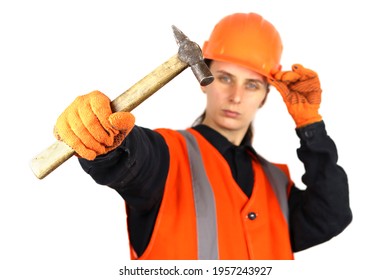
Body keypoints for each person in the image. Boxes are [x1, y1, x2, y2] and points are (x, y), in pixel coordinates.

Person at [54, 12, 352, 260]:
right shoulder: (167, 155)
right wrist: (105, 144)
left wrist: (310, 126)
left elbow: (332, 214)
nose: (236, 96)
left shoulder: (277, 183)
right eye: (225, 78)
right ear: (204, 81)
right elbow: (130, 159)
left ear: (265, 96)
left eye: (252, 85)